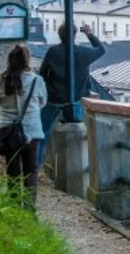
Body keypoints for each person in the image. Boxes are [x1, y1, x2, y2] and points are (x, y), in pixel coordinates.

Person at [37, 22, 106, 168]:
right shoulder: (83, 53)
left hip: (54, 98)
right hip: (76, 99)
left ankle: (36, 164)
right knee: (80, 133)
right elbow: (101, 49)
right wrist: (90, 34)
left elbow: (42, 74)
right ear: (75, 35)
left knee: (41, 132)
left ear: (59, 35)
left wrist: (52, 86)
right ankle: (78, 167)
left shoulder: (53, 52)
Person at [0, 44, 47, 211]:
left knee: (13, 171)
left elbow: (0, 101)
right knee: (31, 170)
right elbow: (43, 101)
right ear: (27, 60)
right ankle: (30, 208)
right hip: (31, 131)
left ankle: (15, 207)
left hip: (8, 131)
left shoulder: (2, 79)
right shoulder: (36, 80)